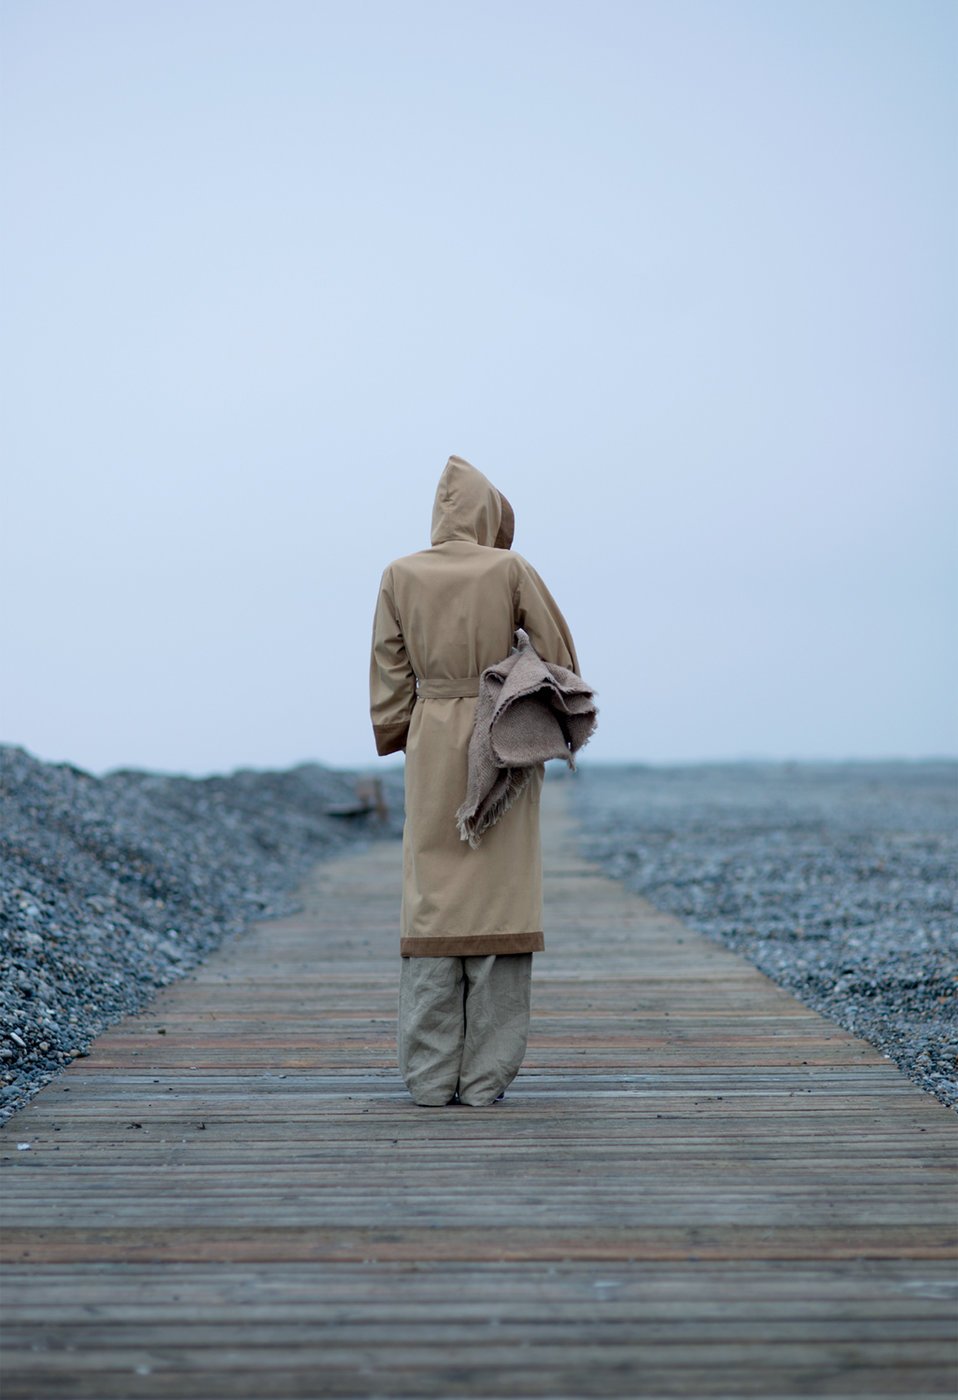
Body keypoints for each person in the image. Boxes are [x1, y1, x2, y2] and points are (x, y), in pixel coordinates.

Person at [369, 455, 580, 1108]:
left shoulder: (399, 575)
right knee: (501, 896)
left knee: (432, 894)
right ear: (490, 515)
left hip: (432, 739)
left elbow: (388, 676)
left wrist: (403, 729)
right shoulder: (511, 569)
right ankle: (485, 1079)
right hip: (502, 741)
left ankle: (430, 1080)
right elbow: (561, 660)